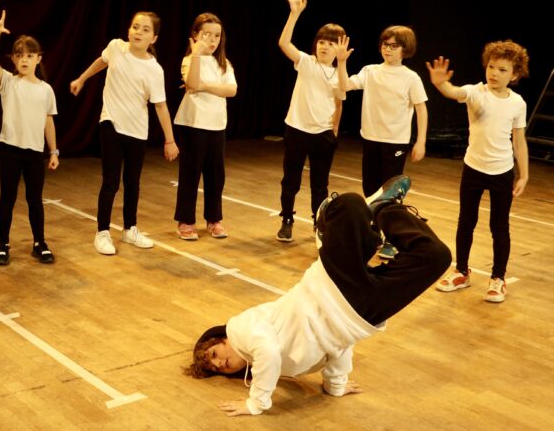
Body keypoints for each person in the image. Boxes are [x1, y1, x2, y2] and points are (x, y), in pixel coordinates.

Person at [186, 176, 451, 417]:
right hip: (358, 317)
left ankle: (330, 224)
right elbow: (336, 347)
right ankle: (385, 208)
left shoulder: (241, 329)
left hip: (329, 287)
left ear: (219, 338)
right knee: (436, 257)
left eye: (213, 355)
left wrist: (256, 403)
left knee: (348, 205)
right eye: (217, 369)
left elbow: (267, 351)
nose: (220, 363)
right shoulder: (279, 368)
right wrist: (335, 385)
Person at [69, 12, 179, 255]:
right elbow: (102, 61)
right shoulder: (116, 47)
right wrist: (82, 78)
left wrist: (169, 140)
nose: (138, 32)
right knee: (111, 181)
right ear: (129, 30)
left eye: (145, 29)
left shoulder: (154, 70)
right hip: (111, 123)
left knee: (133, 183)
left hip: (137, 131)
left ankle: (130, 229)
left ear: (154, 38)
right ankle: (102, 232)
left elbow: (160, 106)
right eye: (135, 27)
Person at [427, 43, 530, 303]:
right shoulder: (475, 92)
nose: (494, 73)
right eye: (491, 67)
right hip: (473, 167)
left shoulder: (518, 103)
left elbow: (519, 141)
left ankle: (498, 278)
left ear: (515, 75)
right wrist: (441, 84)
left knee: (499, 226)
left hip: (502, 172)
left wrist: (524, 174)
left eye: (502, 69)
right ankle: (462, 271)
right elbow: (453, 91)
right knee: (466, 221)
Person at [338, 25, 428, 258]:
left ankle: (393, 238)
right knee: (371, 188)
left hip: (395, 141)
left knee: (391, 192)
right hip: (371, 138)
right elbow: (345, 85)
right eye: (385, 45)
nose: (387, 49)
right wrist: (341, 62)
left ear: (404, 49)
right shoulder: (370, 71)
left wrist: (421, 141)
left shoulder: (411, 78)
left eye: (393, 46)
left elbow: (421, 109)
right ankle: (375, 232)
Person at [0, 9, 59, 265]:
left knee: (34, 199)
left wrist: (54, 150)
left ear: (38, 58)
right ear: (13, 60)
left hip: (35, 152)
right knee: (7, 198)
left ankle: (40, 242)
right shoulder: (8, 82)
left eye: (29, 55)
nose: (24, 60)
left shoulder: (46, 90)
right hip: (10, 150)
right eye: (19, 55)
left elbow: (48, 120)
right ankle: (2, 243)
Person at [274, 0, 345, 242]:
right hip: (296, 129)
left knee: (320, 185)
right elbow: (284, 43)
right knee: (290, 179)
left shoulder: (340, 74)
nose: (325, 46)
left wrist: (334, 130)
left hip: (323, 134)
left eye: (331, 43)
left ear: (341, 48)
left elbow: (339, 102)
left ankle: (319, 223)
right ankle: (287, 219)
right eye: (322, 41)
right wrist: (294, 15)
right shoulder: (306, 62)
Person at [173, 12, 237, 240]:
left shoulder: (224, 63)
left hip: (217, 126)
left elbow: (231, 90)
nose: (212, 39)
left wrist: (204, 86)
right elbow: (191, 82)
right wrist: (198, 59)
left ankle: (214, 219)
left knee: (215, 176)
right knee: (190, 174)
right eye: (206, 34)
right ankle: (185, 221)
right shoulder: (190, 60)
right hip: (192, 124)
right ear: (195, 35)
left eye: (217, 35)